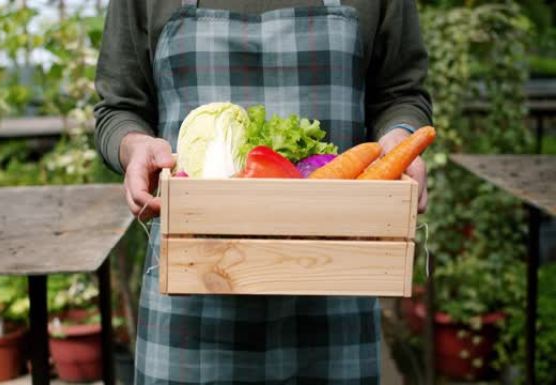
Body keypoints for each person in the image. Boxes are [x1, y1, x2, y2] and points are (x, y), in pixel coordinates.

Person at [94, 0, 432, 383]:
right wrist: (133, 147)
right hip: (192, 295)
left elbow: (400, 93)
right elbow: (119, 108)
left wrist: (400, 140)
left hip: (334, 290)